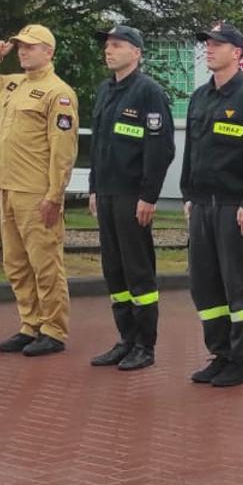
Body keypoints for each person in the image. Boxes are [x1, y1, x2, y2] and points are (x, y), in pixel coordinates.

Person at [0, 24, 79, 357]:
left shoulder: (58, 93)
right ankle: (31, 325)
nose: (23, 51)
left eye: (30, 46)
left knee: (45, 263)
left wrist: (55, 195)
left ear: (49, 52)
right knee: (15, 263)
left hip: (36, 192)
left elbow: (63, 150)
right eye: (19, 46)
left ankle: (54, 330)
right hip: (7, 187)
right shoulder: (11, 84)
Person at [180, 22, 243, 388]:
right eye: (207, 43)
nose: (208, 49)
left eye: (217, 44)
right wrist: (188, 194)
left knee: (235, 285)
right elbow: (191, 151)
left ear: (237, 52)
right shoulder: (200, 98)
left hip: (232, 206)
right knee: (204, 286)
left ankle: (240, 361)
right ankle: (219, 354)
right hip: (202, 206)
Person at [85, 24, 175, 372]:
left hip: (132, 195)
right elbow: (97, 147)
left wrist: (148, 195)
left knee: (138, 271)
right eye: (107, 45)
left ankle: (144, 345)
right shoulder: (105, 91)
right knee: (114, 271)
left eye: (117, 45)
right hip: (106, 193)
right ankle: (125, 338)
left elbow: (160, 148)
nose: (109, 50)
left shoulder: (149, 93)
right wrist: (93, 188)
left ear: (136, 53)